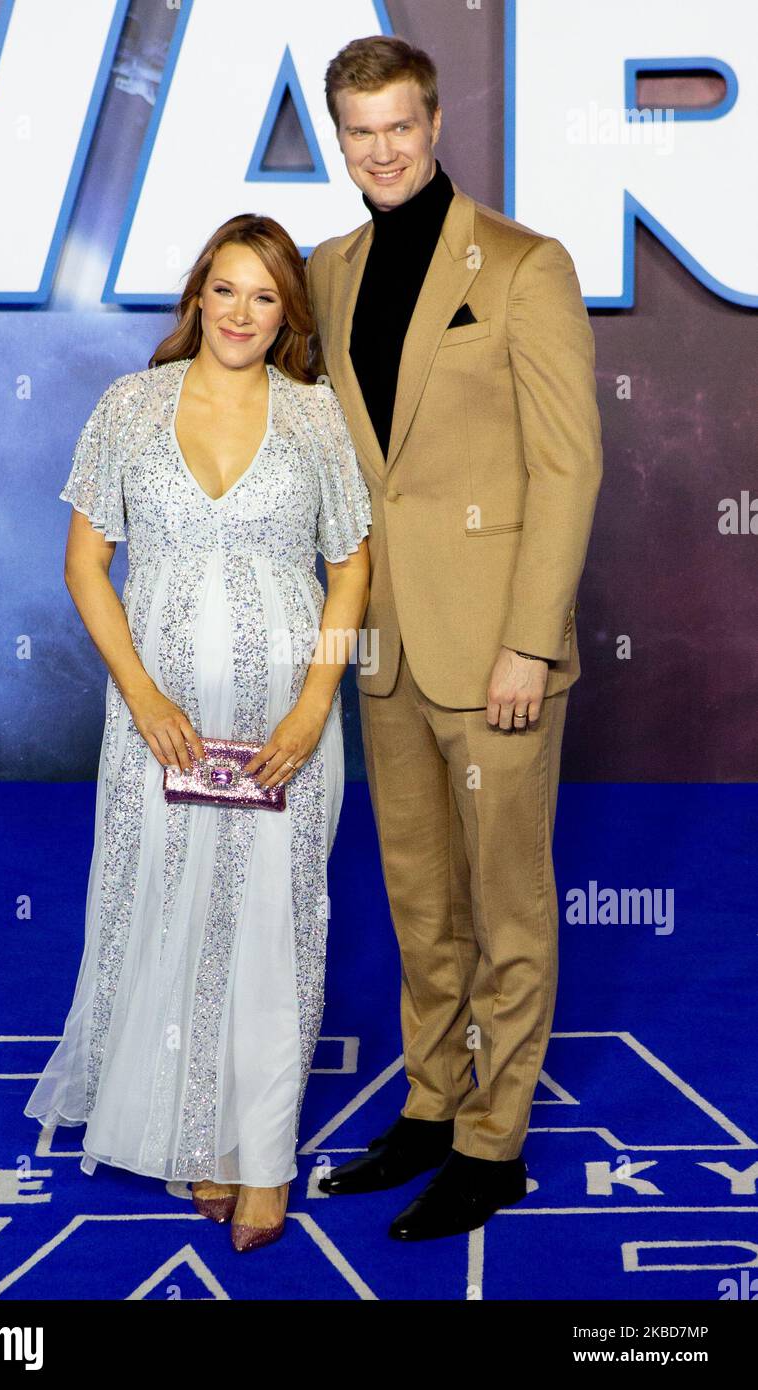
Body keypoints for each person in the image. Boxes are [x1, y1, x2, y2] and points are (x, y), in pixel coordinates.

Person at [24, 214, 371, 1253]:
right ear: (196, 296)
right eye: (225, 289)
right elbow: (86, 565)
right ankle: (188, 1133)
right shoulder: (129, 407)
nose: (240, 313)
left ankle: (256, 1156)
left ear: (285, 316)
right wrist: (144, 696)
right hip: (158, 726)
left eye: (264, 297)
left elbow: (349, 564)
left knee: (271, 923)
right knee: (166, 910)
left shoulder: (314, 417)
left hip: (283, 728)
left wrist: (315, 702)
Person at [306, 36, 603, 1240]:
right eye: (357, 131)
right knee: (418, 899)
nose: (381, 150)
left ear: (434, 126)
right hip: (383, 643)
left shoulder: (525, 264)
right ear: (340, 139)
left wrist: (529, 642)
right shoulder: (328, 268)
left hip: (494, 653)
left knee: (505, 903)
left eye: (398, 126)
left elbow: (568, 465)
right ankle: (431, 1107)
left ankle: (493, 1142)